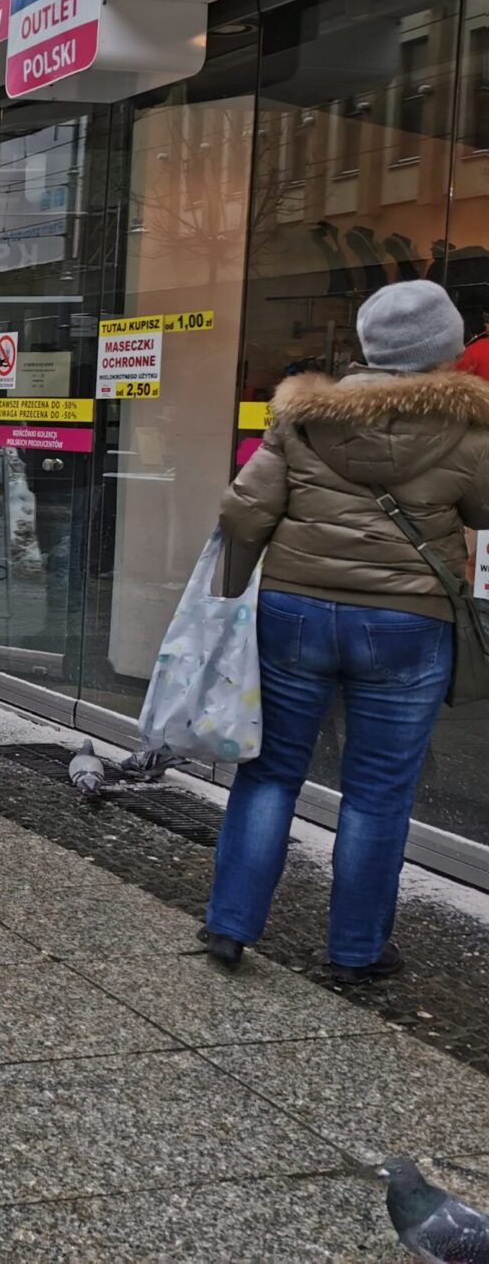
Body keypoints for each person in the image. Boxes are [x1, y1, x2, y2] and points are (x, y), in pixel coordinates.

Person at [204, 280, 489, 983]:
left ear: (368, 344)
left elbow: (244, 512)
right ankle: (356, 950)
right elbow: (482, 510)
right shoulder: (472, 428)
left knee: (269, 774)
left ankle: (230, 926)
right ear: (445, 349)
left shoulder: (302, 416)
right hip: (406, 623)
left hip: (295, 612)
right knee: (378, 790)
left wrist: (231, 590)